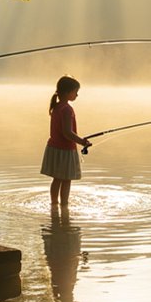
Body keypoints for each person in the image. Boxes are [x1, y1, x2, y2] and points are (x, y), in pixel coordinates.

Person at [41, 76, 91, 206]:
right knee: (67, 180)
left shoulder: (57, 106)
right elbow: (67, 133)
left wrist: (80, 140)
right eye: (75, 92)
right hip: (65, 150)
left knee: (57, 179)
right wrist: (82, 142)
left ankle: (54, 205)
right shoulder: (67, 109)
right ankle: (64, 206)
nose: (77, 95)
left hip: (54, 148)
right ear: (68, 92)